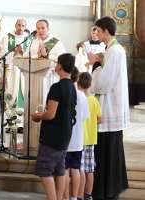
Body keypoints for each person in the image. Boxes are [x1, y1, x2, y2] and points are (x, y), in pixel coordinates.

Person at [88, 16, 130, 200]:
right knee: (107, 150)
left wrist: (96, 66)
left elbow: (104, 84)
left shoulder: (114, 51)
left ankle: (107, 190)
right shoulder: (111, 50)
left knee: (107, 151)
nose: (96, 33)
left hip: (109, 108)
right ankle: (107, 189)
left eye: (98, 30)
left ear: (106, 30)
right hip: (108, 107)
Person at [32, 53, 77, 200]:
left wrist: (38, 116)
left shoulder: (57, 87)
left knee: (44, 170)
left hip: (53, 136)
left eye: (57, 63)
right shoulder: (72, 87)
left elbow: (51, 114)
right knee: (59, 169)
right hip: (65, 135)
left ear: (60, 66)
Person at [25, 19, 66, 105]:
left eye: (43, 28)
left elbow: (61, 59)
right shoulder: (34, 42)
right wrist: (37, 56)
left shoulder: (56, 43)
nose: (40, 30)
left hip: (50, 77)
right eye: (38, 28)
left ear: (48, 29)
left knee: (46, 101)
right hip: (33, 77)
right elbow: (26, 56)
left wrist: (45, 56)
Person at [64, 67, 89, 200]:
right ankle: (75, 197)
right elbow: (85, 117)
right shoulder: (82, 96)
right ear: (77, 78)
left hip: (66, 140)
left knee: (66, 170)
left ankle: (66, 197)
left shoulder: (65, 93)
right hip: (78, 139)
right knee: (76, 169)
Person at [77, 72, 102, 200]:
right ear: (90, 84)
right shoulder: (94, 101)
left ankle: (79, 195)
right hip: (91, 139)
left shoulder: (78, 100)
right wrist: (92, 122)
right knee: (89, 169)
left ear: (78, 83)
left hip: (80, 139)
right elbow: (100, 119)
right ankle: (88, 195)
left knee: (80, 168)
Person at [1, 18, 29, 108]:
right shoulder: (7, 37)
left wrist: (22, 52)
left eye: (23, 26)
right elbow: (2, 54)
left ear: (25, 27)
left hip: (24, 69)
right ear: (15, 25)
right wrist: (14, 52)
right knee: (11, 87)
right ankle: (9, 111)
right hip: (11, 69)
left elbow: (32, 54)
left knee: (24, 87)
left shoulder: (28, 38)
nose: (20, 28)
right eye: (19, 25)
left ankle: (22, 111)